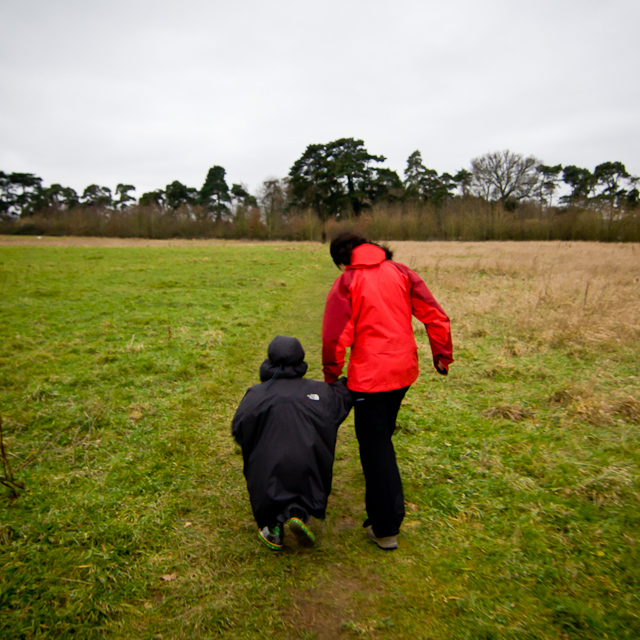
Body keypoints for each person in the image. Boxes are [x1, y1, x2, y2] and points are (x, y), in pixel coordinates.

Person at [322, 231, 453, 551]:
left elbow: (335, 335)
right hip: (403, 373)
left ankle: (385, 527)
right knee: (382, 437)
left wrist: (331, 374)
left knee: (376, 449)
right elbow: (434, 315)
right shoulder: (402, 272)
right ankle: (384, 512)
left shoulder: (348, 281)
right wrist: (441, 353)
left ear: (343, 261)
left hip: (369, 379)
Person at [232, 335, 352, 550]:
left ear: (269, 360)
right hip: (309, 466)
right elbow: (341, 402)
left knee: (264, 472)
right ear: (301, 360)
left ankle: (272, 527)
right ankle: (299, 513)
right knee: (307, 471)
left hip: (268, 468)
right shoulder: (321, 392)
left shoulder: (255, 395)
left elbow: (239, 427)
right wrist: (347, 379)